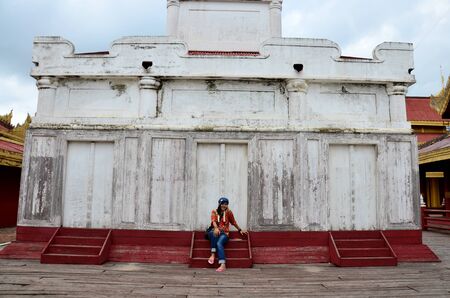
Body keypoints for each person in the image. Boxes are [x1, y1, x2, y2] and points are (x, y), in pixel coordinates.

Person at [207, 197, 247, 272]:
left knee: (219, 243)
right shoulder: (214, 211)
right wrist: (216, 228)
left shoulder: (229, 212)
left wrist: (240, 230)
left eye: (226, 204)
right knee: (213, 233)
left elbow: (233, 222)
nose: (224, 205)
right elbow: (214, 221)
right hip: (216, 232)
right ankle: (212, 254)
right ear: (219, 204)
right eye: (223, 204)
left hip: (224, 233)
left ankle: (223, 265)